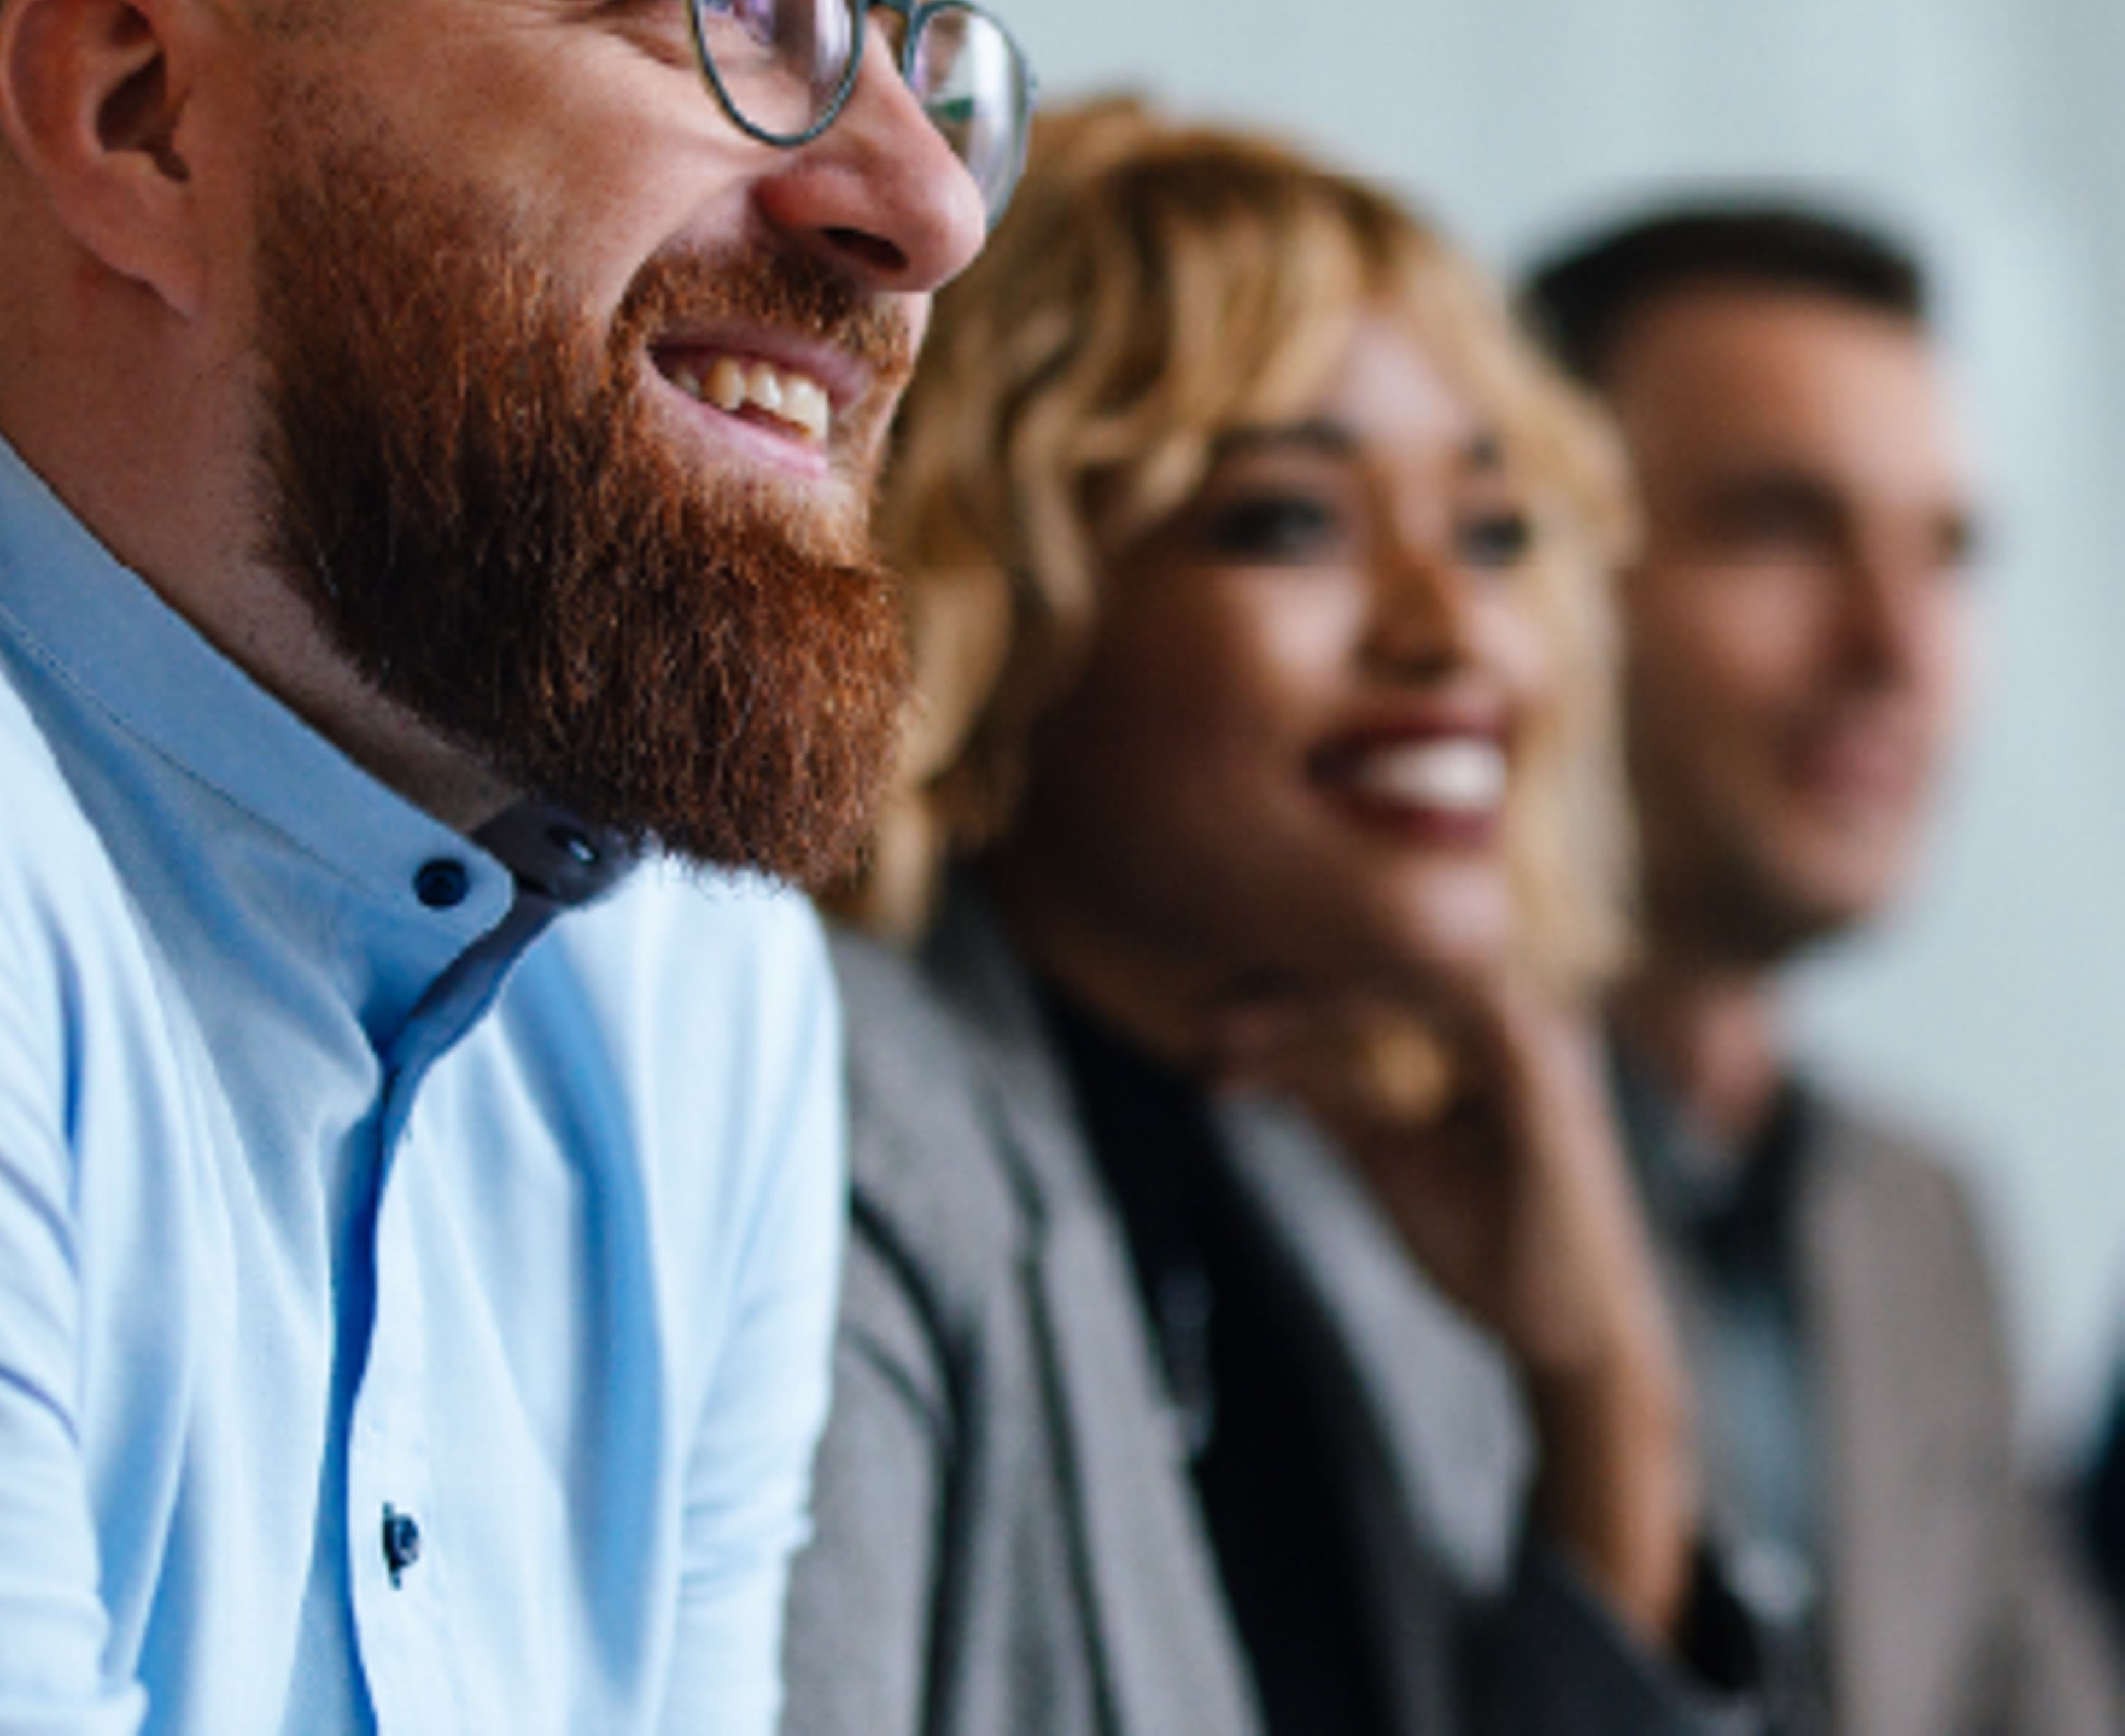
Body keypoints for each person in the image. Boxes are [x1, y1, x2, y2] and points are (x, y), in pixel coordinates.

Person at [0, 0, 1033, 1735]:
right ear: (140, 109)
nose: (921, 212)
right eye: (721, 8)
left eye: (928, 68)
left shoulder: (694, 972)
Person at [781, 97, 1765, 1736]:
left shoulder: (1344, 1169)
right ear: (1010, 604)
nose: (1455, 632)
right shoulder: (841, 1130)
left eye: (1494, 529)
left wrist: (1604, 1385)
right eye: (1293, 521)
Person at [1524, 201, 2123, 1736]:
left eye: (1948, 553)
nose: (1897, 645)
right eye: (1782, 525)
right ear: (1529, 565)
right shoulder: (1359, 1160)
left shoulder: (1928, 1226)